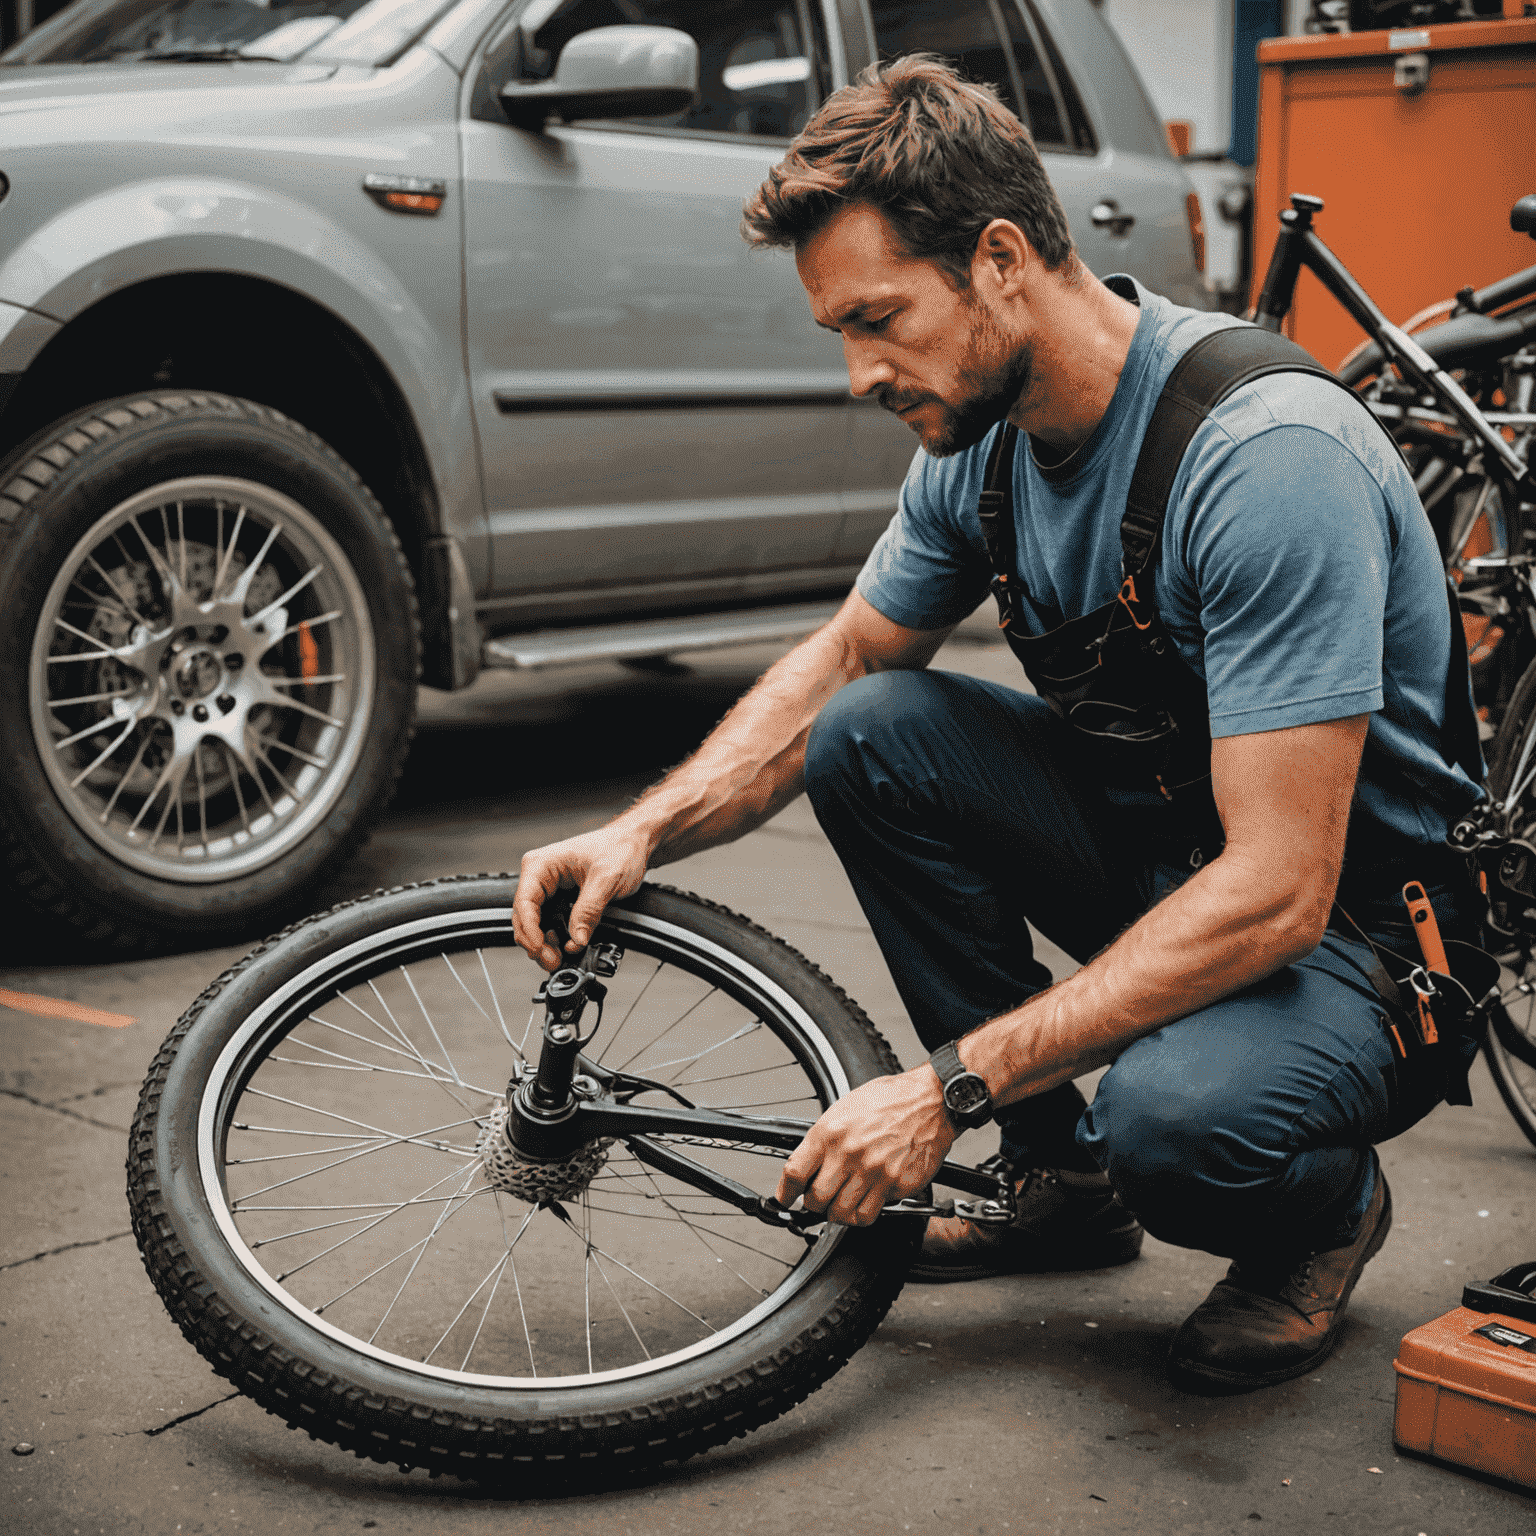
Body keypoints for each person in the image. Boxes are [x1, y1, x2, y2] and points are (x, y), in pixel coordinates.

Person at [512, 55, 1483, 1394]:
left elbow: (1280, 893)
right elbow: (851, 659)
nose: (858, 373)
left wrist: (945, 1086)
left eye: (878, 319)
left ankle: (1322, 1218)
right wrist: (642, 832)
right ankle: (1058, 1185)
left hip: (1363, 948)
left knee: (1179, 1122)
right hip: (1174, 858)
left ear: (1004, 258)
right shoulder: (980, 446)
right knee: (876, 726)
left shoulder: (1263, 460)